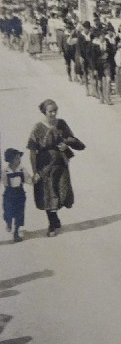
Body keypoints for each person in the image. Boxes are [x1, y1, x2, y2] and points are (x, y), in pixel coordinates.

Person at [27, 99, 85, 237]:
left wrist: (66, 143)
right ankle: (53, 223)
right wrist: (35, 171)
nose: (53, 114)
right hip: (44, 166)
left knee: (62, 193)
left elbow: (74, 140)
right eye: (50, 111)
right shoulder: (37, 128)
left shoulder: (61, 124)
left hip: (61, 165)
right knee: (48, 195)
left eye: (55, 110)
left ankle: (55, 219)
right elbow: (32, 152)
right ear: (44, 112)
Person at [2, 148, 32, 242]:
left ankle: (16, 233)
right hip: (9, 195)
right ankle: (9, 222)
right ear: (11, 160)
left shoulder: (22, 169)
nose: (19, 160)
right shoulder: (5, 171)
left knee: (19, 214)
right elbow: (3, 182)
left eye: (19, 158)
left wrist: (34, 179)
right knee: (8, 212)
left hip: (20, 194)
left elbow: (29, 180)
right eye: (17, 158)